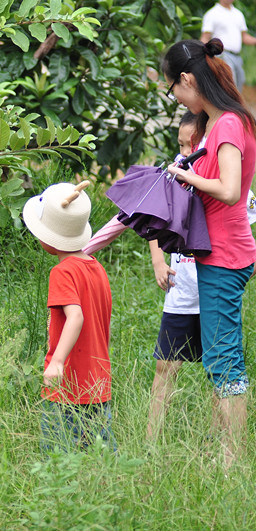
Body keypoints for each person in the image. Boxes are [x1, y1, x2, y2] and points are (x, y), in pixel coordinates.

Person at [163, 38, 256, 467]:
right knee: (220, 355)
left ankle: (231, 458)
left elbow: (231, 190)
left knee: (223, 358)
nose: (178, 100)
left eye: (174, 91)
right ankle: (225, 448)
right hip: (218, 253)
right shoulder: (220, 121)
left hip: (225, 256)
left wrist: (186, 176)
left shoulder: (228, 124)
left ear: (187, 79)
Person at [82, 112, 203, 441]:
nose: (184, 152)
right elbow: (145, 213)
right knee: (165, 365)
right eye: (180, 144)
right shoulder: (176, 170)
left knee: (219, 369)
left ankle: (220, 443)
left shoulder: (221, 177)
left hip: (213, 288)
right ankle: (151, 443)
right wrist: (157, 260)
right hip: (180, 288)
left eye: (191, 145)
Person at [22, 181, 114, 452]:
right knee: (99, 455)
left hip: (68, 385)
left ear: (49, 237)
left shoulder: (62, 272)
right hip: (98, 381)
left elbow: (76, 317)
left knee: (57, 455)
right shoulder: (96, 268)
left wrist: (57, 362)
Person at [200, 0, 256, 92]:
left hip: (237, 56)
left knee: (239, 85)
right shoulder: (212, 14)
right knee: (230, 86)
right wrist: (202, 54)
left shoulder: (238, 14)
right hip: (222, 55)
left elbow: (244, 37)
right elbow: (205, 37)